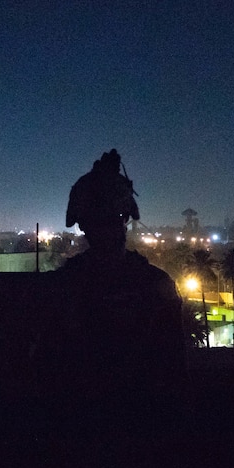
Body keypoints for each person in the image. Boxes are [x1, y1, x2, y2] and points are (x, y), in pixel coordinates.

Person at [43, 149, 185, 428]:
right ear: (127, 219)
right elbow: (174, 373)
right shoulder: (156, 286)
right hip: (141, 430)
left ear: (82, 224)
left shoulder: (63, 286)